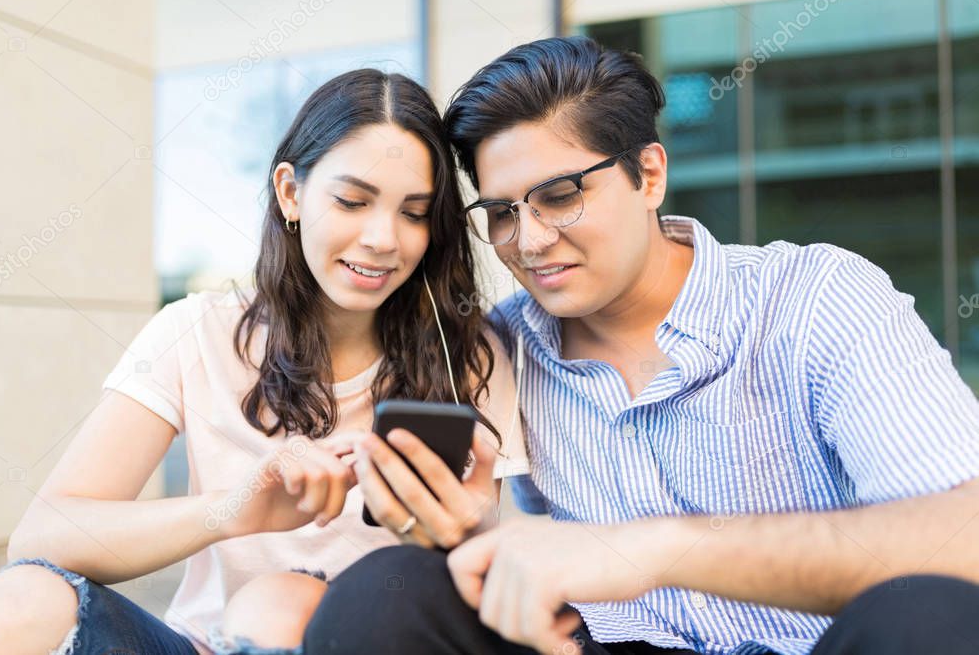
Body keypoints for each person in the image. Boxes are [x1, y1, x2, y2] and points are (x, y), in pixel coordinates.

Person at [302, 37, 979, 655]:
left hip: (821, 644)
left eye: (560, 196)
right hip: (607, 647)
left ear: (648, 175)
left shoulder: (813, 299)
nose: (529, 241)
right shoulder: (502, 347)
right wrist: (471, 534)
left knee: (931, 615)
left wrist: (652, 548)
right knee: (385, 593)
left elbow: (964, 539)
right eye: (501, 213)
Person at [0, 68, 526, 655]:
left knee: (280, 603)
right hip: (205, 642)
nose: (384, 237)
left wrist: (466, 526)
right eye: (353, 200)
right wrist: (235, 510)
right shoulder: (197, 331)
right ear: (290, 193)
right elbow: (43, 536)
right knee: (21, 601)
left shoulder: (472, 355)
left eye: (414, 213)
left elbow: (504, 579)